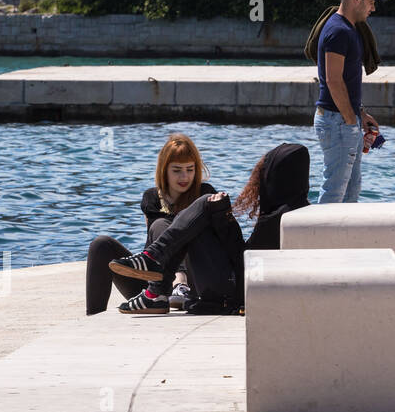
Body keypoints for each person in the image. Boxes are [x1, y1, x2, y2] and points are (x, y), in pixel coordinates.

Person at [105, 144, 311, 314]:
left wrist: (221, 216)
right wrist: (221, 215)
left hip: (230, 292)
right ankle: (154, 274)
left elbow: (244, 263)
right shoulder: (294, 212)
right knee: (203, 208)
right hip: (237, 285)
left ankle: (154, 268)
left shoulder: (277, 220)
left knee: (203, 203)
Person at [85, 133, 215, 314]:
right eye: (177, 170)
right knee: (101, 245)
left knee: (165, 225)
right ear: (164, 170)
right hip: (153, 286)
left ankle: (180, 283)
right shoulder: (152, 197)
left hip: (195, 283)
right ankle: (93, 316)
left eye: (190, 169)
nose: (184, 176)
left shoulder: (205, 194)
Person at [315, 0, 384, 204]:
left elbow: (345, 80)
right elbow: (333, 81)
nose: (373, 8)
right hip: (337, 122)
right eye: (371, 1)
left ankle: (344, 241)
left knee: (351, 193)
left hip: (343, 119)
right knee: (335, 192)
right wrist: (349, 121)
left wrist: (359, 114)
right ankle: (317, 240)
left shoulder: (348, 29)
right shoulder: (338, 31)